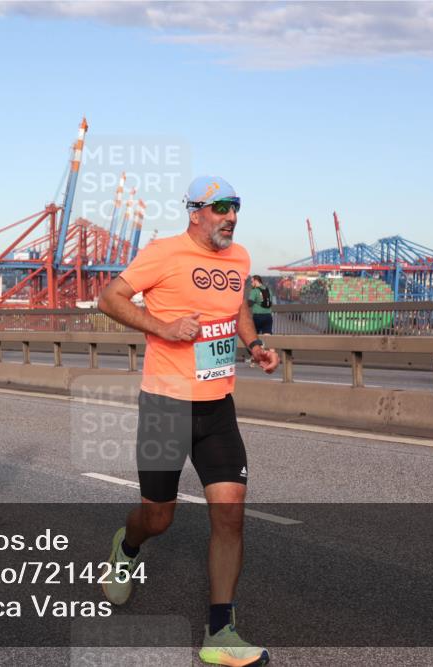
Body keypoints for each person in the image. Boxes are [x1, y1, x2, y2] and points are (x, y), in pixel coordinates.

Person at [96, 176, 278, 667]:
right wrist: (165, 327)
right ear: (195, 211)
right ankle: (127, 546)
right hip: (165, 405)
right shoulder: (163, 252)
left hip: (218, 406)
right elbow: (110, 298)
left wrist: (255, 345)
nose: (231, 216)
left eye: (235, 207)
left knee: (230, 511)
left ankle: (220, 631)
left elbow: (237, 306)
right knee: (159, 516)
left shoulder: (238, 258)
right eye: (221, 208)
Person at [247, 275, 273, 340]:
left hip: (257, 317)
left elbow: (249, 303)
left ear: (256, 281)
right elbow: (270, 303)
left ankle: (257, 349)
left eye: (252, 281)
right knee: (268, 337)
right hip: (268, 316)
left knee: (255, 337)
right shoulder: (268, 290)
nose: (251, 283)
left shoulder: (254, 291)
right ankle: (272, 350)